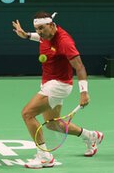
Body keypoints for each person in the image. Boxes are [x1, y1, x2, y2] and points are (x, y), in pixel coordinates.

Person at [12, 11, 104, 169]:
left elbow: (80, 66)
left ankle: (44, 157)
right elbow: (40, 38)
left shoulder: (64, 42)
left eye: (42, 28)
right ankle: (91, 136)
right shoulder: (45, 35)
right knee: (53, 124)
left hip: (59, 85)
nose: (40, 32)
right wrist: (27, 35)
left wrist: (84, 92)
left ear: (52, 25)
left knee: (27, 114)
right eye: (37, 29)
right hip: (48, 82)